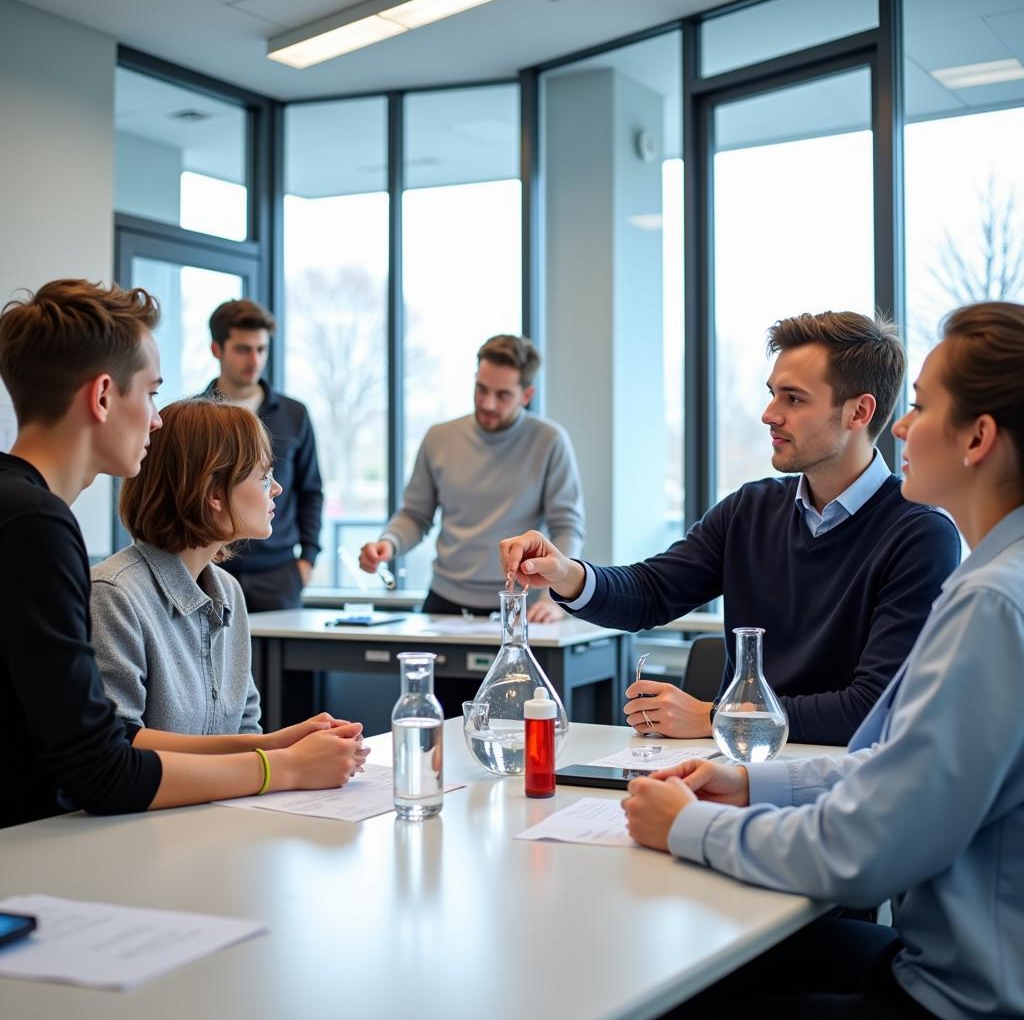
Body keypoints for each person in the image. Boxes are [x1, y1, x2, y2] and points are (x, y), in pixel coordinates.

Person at [622, 301, 1024, 1018]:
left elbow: (871, 846)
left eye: (923, 408)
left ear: (979, 438)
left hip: (957, 996)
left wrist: (688, 826)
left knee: (662, 989)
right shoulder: (996, 579)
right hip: (950, 959)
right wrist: (751, 783)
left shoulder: (991, 601)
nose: (902, 425)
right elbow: (899, 764)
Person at [0, 279, 364, 830]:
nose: (157, 418)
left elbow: (102, 743)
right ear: (102, 396)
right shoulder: (40, 528)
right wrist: (280, 767)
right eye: (150, 393)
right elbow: (102, 768)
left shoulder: (29, 514)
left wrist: (273, 747)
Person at [500, 311, 962, 745]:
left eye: (794, 398)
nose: (769, 414)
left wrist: (718, 717)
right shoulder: (751, 508)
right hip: (730, 765)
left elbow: (873, 708)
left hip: (833, 783)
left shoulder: (920, 533)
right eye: (772, 393)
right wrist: (566, 573)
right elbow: (653, 590)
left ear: (859, 413)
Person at [91, 398, 353, 747]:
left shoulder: (228, 592)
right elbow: (119, 748)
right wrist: (279, 753)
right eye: (264, 477)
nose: (276, 489)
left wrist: (279, 748)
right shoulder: (114, 593)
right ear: (215, 493)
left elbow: (245, 729)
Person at [360, 334, 584, 623]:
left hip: (520, 604)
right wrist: (388, 544)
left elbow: (566, 527)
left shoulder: (550, 441)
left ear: (526, 395)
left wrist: (555, 599)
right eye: (481, 389)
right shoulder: (439, 438)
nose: (488, 403)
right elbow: (415, 515)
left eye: (503, 395)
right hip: (445, 601)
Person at [199, 298, 323, 612]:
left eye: (261, 349)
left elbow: (311, 492)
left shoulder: (295, 414)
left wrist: (306, 561)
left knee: (287, 662)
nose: (254, 359)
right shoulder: (195, 419)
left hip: (279, 573)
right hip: (211, 566)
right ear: (217, 349)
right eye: (243, 349)